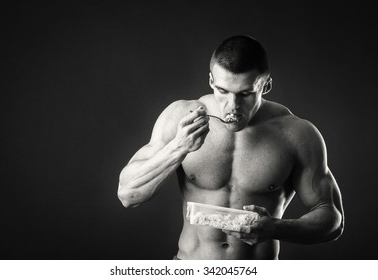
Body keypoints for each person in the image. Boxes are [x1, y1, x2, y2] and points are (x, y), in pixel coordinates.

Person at [117, 35, 344, 260]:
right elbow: (128, 194)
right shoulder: (180, 117)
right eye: (223, 91)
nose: (232, 107)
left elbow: (332, 221)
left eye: (245, 94)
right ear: (211, 81)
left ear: (266, 86)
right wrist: (178, 147)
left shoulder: (296, 134)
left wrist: (275, 228)